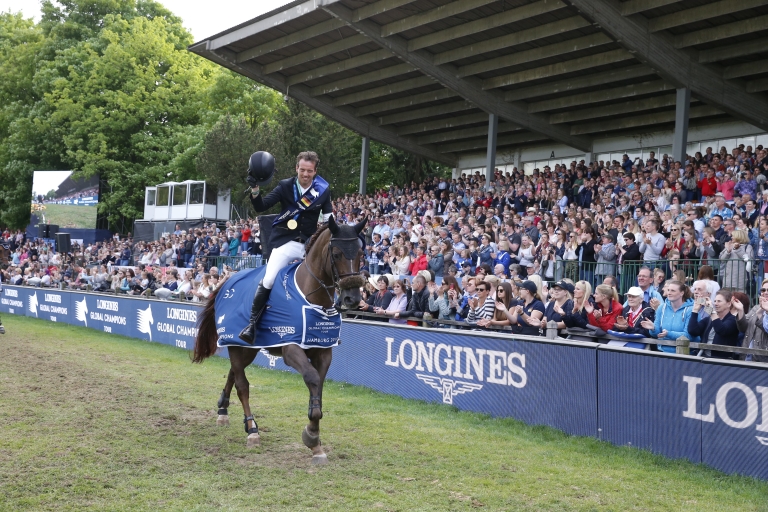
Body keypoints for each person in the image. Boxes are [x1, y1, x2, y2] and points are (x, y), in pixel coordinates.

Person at [240, 151, 333, 344]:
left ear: (315, 171)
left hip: (309, 244)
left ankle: (330, 319)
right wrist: (255, 189)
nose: (305, 174)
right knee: (269, 279)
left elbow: (328, 219)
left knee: (330, 271)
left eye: (309, 171)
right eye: (302, 170)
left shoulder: (323, 189)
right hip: (286, 242)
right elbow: (261, 206)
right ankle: (252, 325)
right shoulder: (285, 186)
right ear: (296, 169)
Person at [641, 280, 696, 353]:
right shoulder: (661, 308)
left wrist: (668, 333)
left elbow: (688, 336)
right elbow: (657, 334)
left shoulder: (690, 310)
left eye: (673, 291)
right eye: (668, 290)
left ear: (681, 293)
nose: (669, 293)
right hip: (662, 351)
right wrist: (653, 328)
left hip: (684, 354)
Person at [689, 289, 740, 359]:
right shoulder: (709, 319)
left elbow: (721, 330)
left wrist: (711, 311)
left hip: (722, 361)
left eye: (719, 301)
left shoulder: (733, 320)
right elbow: (693, 330)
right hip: (703, 358)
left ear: (729, 304)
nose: (715, 303)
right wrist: (695, 310)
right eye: (715, 301)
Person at [737, 279, 768, 363]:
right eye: (763, 290)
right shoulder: (756, 308)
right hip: (746, 357)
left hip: (762, 361)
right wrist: (740, 310)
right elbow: (743, 328)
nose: (765, 292)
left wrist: (764, 312)